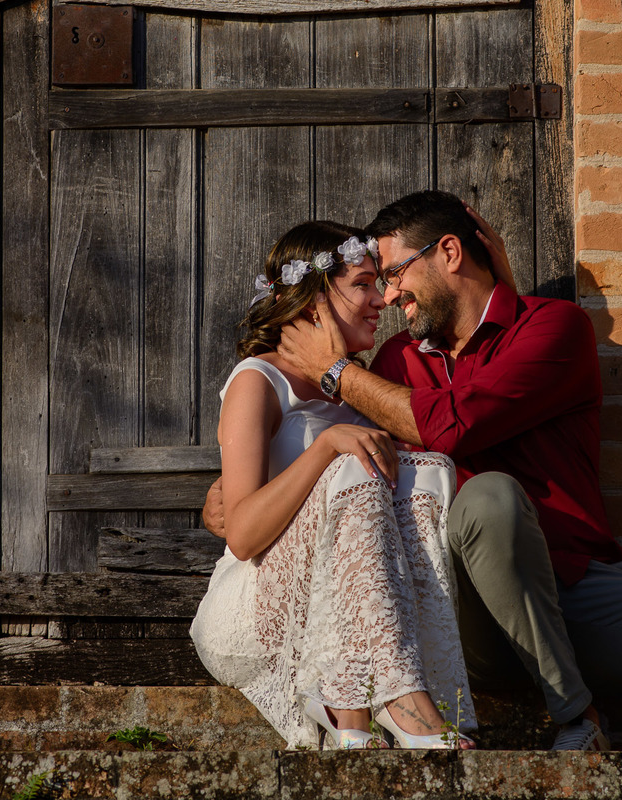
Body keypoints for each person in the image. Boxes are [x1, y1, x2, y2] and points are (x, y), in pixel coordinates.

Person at [260, 189, 622, 750]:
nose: (390, 293)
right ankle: (577, 716)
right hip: (462, 609)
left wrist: (335, 371)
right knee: (488, 500)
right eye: (379, 280)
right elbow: (339, 459)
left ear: (450, 252)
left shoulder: (555, 328)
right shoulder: (395, 362)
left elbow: (454, 425)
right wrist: (243, 485)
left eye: (396, 272)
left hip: (576, 585)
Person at [189, 220, 477, 751]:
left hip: (333, 613)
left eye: (379, 284)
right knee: (352, 461)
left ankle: (362, 705)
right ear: (315, 299)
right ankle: (397, 699)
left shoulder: (354, 389)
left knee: (424, 472)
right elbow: (243, 536)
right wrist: (326, 448)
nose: (382, 300)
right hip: (251, 608)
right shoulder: (258, 380)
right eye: (363, 285)